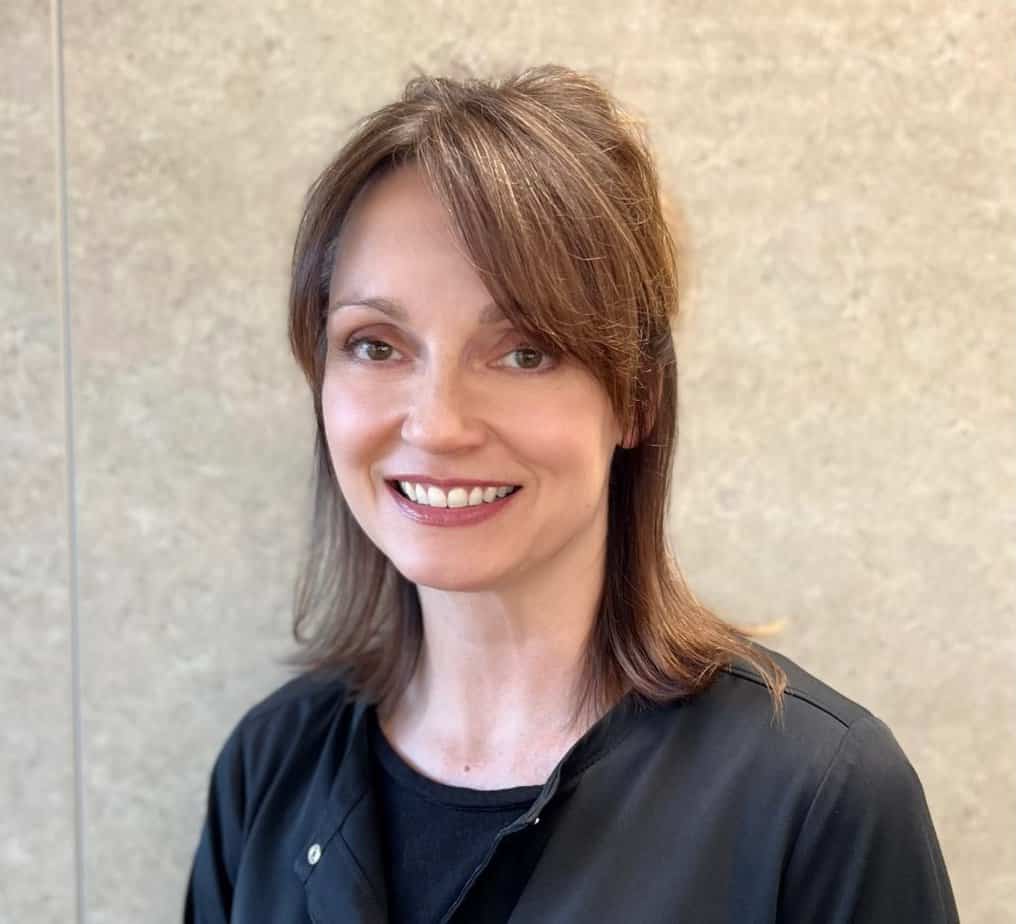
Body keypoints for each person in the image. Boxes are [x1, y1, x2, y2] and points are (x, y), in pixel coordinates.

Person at [183, 65, 959, 923]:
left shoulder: (817, 798)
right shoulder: (269, 770)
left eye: (524, 352)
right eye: (375, 345)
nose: (438, 426)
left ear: (636, 398)